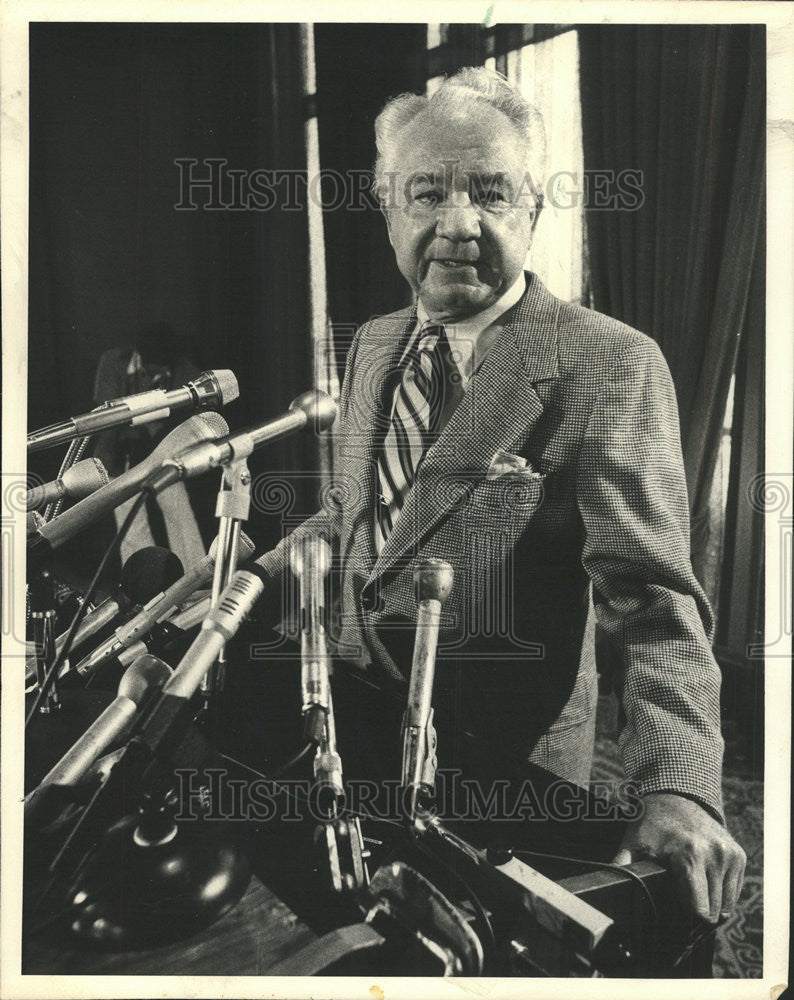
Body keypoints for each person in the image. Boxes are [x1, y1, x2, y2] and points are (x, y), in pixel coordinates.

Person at [261, 67, 745, 925]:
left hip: (507, 772)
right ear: (387, 207)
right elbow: (356, 513)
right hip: (355, 723)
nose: (456, 224)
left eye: (490, 193)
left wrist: (680, 787)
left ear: (533, 210)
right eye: (426, 192)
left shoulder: (608, 362)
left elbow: (655, 602)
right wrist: (240, 583)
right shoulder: (373, 343)